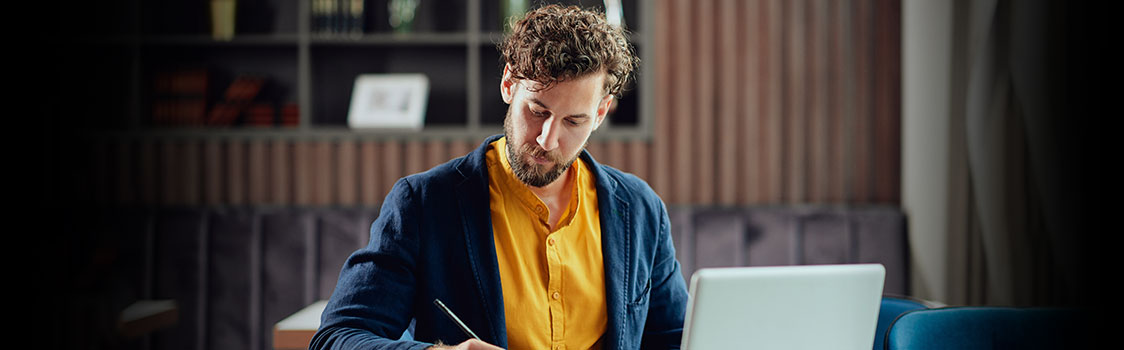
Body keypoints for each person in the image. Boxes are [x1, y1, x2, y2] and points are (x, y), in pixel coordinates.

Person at [310, 5, 688, 350]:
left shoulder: (640, 209)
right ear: (509, 83)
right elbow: (336, 339)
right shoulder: (424, 203)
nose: (548, 139)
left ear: (602, 112)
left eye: (574, 121)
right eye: (537, 110)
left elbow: (674, 340)